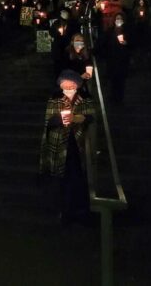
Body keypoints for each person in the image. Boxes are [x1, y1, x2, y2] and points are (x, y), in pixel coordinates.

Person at [39, 70, 95, 224]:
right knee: (59, 178)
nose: (69, 88)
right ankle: (62, 209)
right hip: (59, 143)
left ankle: (76, 209)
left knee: (76, 176)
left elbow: (91, 116)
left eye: (72, 85)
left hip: (77, 143)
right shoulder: (55, 99)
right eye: (66, 85)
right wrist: (60, 119)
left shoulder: (84, 99)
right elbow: (48, 121)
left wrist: (78, 117)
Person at [106, 13, 131, 103]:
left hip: (122, 59)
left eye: (120, 18)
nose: (118, 20)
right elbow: (105, 43)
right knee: (113, 80)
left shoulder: (126, 31)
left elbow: (132, 43)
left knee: (121, 80)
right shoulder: (110, 31)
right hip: (112, 59)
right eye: (117, 18)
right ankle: (113, 97)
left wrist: (126, 43)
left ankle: (120, 98)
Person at [49, 8, 77, 78]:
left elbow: (74, 35)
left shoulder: (71, 25)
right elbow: (51, 32)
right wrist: (58, 33)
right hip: (58, 48)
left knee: (67, 65)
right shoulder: (56, 24)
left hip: (66, 48)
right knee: (57, 66)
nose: (64, 22)